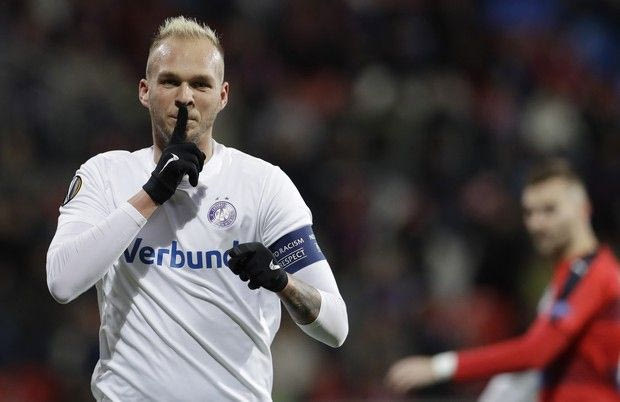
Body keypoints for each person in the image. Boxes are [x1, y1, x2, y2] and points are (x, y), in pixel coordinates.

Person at [46, 16, 348, 401]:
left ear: (223, 95)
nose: (185, 96)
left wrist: (281, 281)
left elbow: (335, 326)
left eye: (200, 84)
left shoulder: (263, 185)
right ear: (144, 90)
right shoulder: (106, 175)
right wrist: (153, 192)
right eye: (170, 81)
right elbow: (62, 281)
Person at [385, 159, 620, 402]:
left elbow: (536, 351)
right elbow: (534, 370)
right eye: (529, 212)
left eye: (550, 210)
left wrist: (441, 366)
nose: (537, 223)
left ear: (583, 209)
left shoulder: (594, 275)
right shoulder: (570, 276)